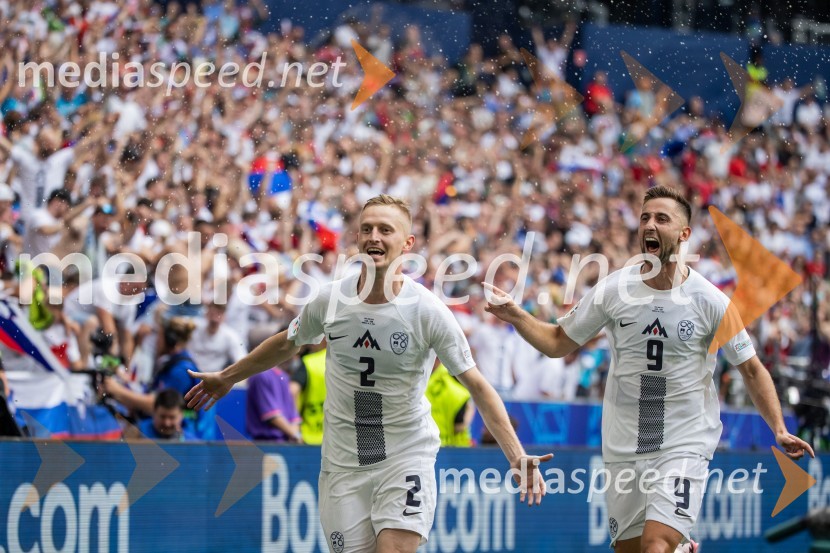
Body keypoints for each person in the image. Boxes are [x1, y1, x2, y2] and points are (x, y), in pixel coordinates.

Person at [186, 194, 551, 553]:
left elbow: (477, 385)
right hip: (343, 464)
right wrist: (229, 376)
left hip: (406, 455)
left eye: (385, 230)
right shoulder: (330, 300)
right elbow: (287, 343)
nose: (374, 236)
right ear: (357, 239)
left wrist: (516, 455)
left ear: (407, 244)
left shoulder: (428, 311)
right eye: (367, 229)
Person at [483, 185, 814, 553]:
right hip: (624, 446)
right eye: (644, 218)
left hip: (683, 442)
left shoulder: (710, 301)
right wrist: (516, 315)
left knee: (655, 545)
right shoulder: (614, 290)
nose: (649, 225)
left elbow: (751, 369)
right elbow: (558, 342)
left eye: (661, 218)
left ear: (684, 234)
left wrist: (779, 429)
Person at [246, 364, 302, 442]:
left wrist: (295, 435)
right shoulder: (260, 375)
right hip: (267, 443)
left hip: (287, 442)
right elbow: (271, 415)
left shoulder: (284, 376)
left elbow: (293, 416)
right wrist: (295, 435)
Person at [126, 389, 196, 441]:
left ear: (181, 415)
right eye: (162, 416)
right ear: (154, 412)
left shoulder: (191, 442)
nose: (167, 423)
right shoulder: (136, 433)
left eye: (172, 417)